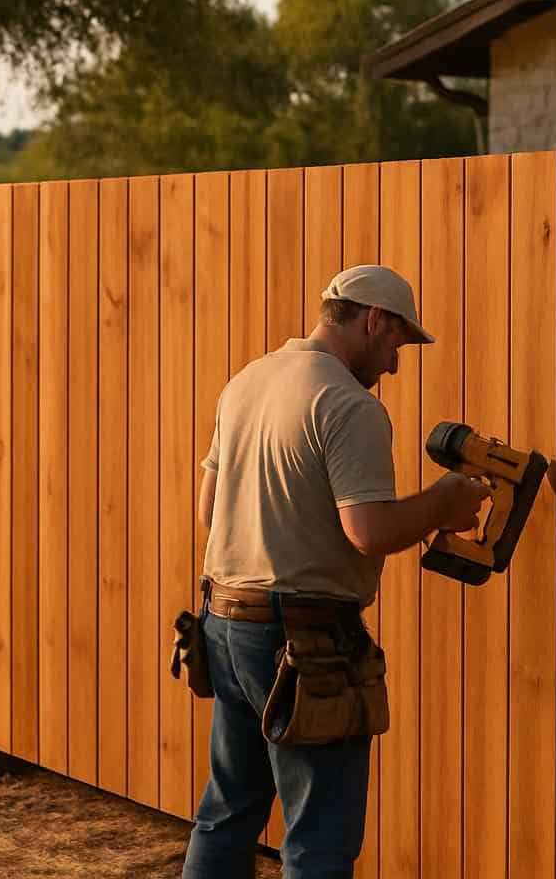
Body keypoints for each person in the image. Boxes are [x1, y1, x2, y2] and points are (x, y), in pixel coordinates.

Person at [181, 264, 490, 879]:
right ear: (373, 320)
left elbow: (207, 511)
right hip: (305, 644)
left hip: (224, 623)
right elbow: (368, 531)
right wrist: (444, 504)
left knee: (227, 812)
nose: (395, 366)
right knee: (319, 837)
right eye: (396, 344)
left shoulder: (247, 380)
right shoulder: (348, 405)